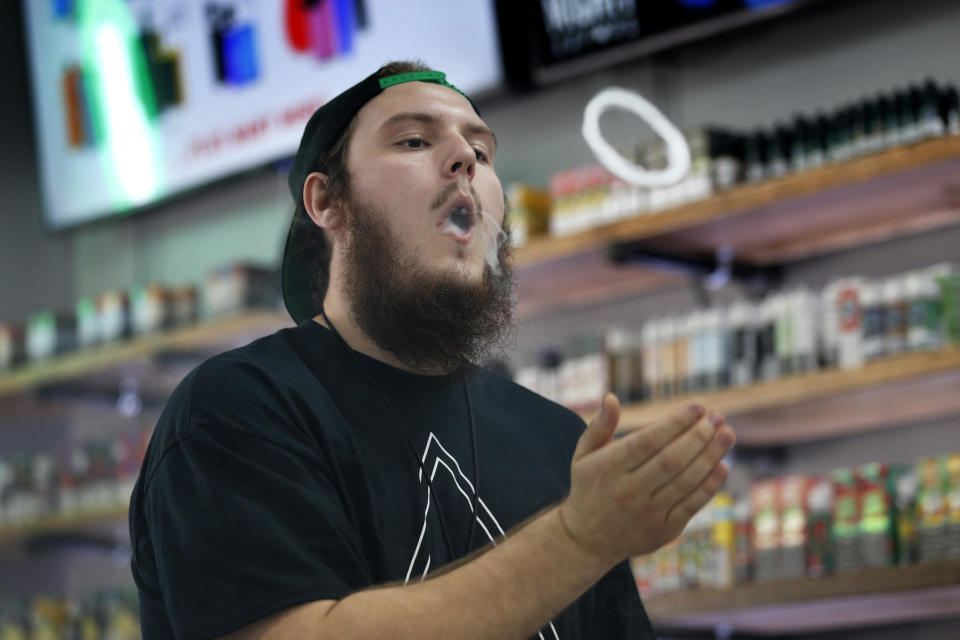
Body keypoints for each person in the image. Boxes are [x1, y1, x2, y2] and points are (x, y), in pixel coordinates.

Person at [128, 60, 736, 640]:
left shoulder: (555, 439)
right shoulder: (242, 409)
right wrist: (575, 541)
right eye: (414, 142)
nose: (464, 160)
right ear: (326, 202)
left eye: (482, 150)